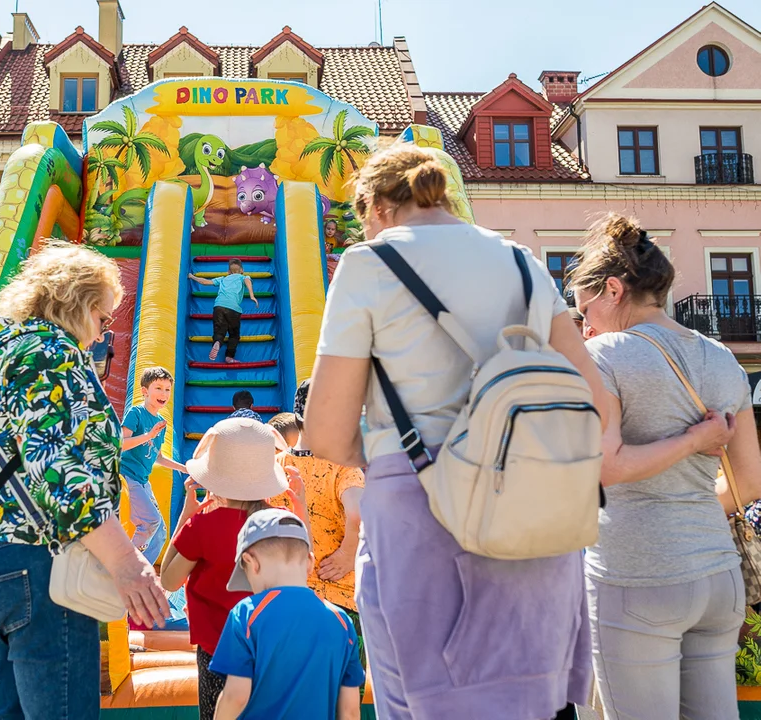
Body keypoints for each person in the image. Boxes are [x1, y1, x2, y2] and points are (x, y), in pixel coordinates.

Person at [302, 142, 609, 719]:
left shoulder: (369, 265)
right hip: (538, 509)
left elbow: (324, 432)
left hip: (422, 507)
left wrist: (390, 453)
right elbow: (595, 402)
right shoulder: (522, 262)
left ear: (377, 208)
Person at [0, 242, 168, 720]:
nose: (102, 335)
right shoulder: (53, 356)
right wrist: (127, 562)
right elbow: (62, 474)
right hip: (39, 562)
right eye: (105, 319)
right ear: (82, 306)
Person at [571, 213, 761, 720]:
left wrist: (694, 439)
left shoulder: (604, 355)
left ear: (613, 290)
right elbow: (749, 480)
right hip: (716, 572)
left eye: (584, 308)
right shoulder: (723, 358)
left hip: (637, 571)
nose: (584, 325)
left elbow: (605, 468)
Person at [158, 418, 292, 720]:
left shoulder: (203, 526)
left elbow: (169, 579)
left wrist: (186, 517)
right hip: (274, 651)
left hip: (217, 652)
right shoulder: (284, 521)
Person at [211, 509, 365, 720]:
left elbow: (235, 697)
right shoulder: (342, 621)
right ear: (310, 562)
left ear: (251, 562)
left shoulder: (246, 613)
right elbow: (350, 711)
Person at [277, 381, 364, 625]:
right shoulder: (343, 464)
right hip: (340, 595)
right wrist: (348, 553)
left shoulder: (277, 465)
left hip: (288, 593)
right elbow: (358, 512)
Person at [121, 367, 187, 564]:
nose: (164, 394)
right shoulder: (137, 413)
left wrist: (185, 469)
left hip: (143, 480)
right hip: (128, 475)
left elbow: (158, 457)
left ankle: (142, 572)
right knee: (151, 522)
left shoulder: (159, 421)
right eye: (158, 388)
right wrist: (148, 435)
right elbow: (121, 444)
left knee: (160, 532)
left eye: (167, 389)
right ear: (144, 391)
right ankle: (127, 565)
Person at [189, 259, 258, 363]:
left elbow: (205, 282)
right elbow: (247, 281)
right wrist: (252, 295)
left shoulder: (222, 279)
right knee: (234, 334)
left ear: (228, 272)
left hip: (219, 306)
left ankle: (217, 342)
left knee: (219, 330)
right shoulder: (243, 277)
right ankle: (229, 357)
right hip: (234, 309)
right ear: (242, 270)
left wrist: (191, 276)